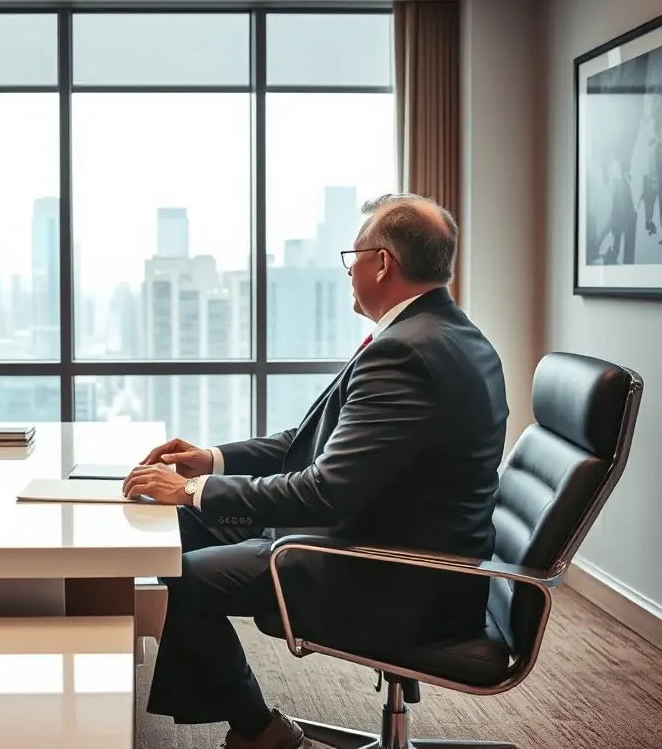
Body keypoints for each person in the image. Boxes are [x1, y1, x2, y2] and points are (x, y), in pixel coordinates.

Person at [123, 193, 509, 749]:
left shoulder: (406, 353)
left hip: (386, 572)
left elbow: (325, 493)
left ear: (382, 263)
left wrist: (190, 490)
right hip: (410, 547)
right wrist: (212, 462)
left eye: (353, 254)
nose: (350, 268)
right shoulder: (442, 334)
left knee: (184, 574)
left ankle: (259, 732)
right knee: (179, 529)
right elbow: (313, 444)